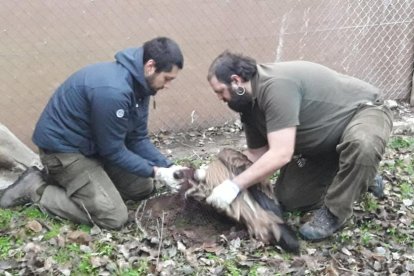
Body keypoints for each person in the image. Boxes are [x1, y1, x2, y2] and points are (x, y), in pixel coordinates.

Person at [0, 37, 186, 229]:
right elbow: (113, 151)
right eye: (167, 78)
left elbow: (137, 138)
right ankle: (36, 189)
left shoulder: (142, 86)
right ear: (150, 66)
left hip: (93, 147)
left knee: (142, 187)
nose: (168, 85)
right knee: (113, 217)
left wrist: (170, 167)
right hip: (64, 152)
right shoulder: (114, 91)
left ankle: (94, 189)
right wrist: (156, 172)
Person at [205, 51, 393, 241]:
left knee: (363, 144)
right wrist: (217, 175)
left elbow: (281, 153)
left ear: (236, 81)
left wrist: (235, 186)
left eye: (220, 91)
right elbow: (257, 153)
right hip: (319, 147)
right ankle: (358, 174)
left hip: (362, 112)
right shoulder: (248, 107)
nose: (220, 98)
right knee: (290, 199)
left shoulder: (275, 86)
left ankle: (335, 212)